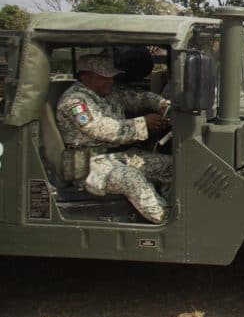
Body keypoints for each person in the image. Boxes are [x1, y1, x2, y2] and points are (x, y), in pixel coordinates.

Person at [56, 54, 173, 224]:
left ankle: (175, 210)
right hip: (91, 165)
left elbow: (138, 98)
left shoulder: (108, 92)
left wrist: (162, 104)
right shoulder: (74, 102)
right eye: (103, 78)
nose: (109, 81)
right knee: (131, 178)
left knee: (171, 166)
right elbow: (101, 129)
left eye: (111, 77)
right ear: (85, 76)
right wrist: (143, 124)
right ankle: (167, 222)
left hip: (119, 157)